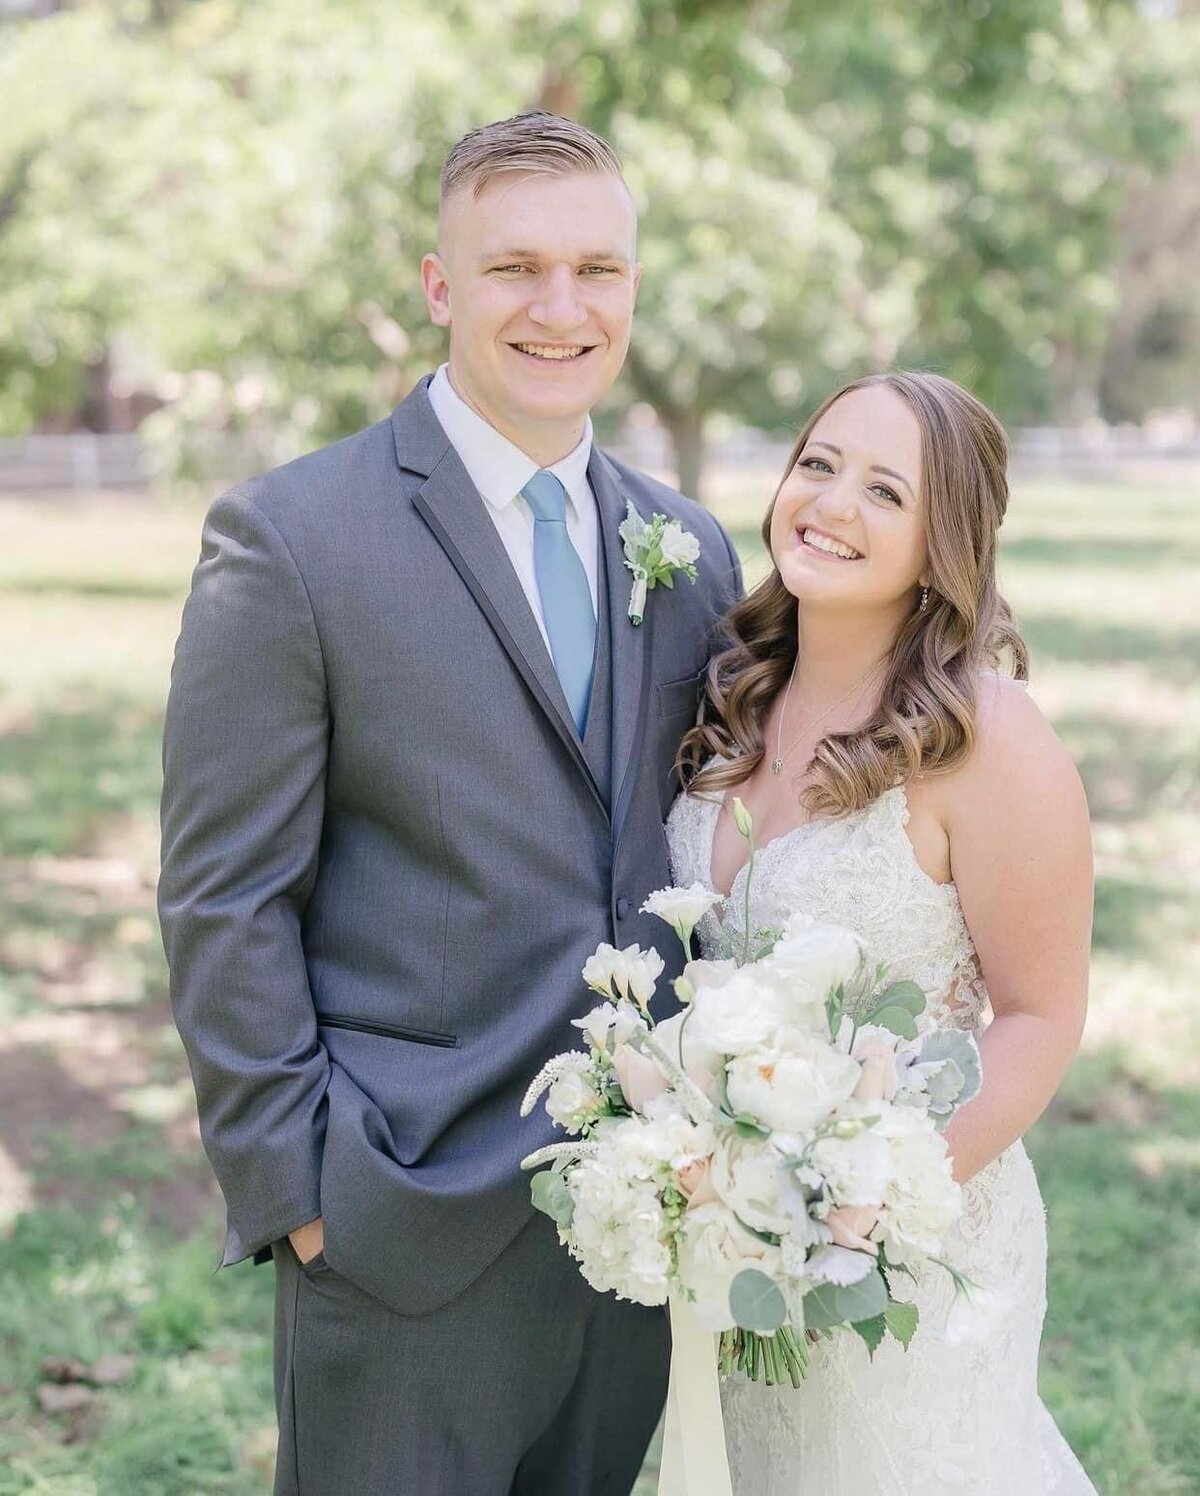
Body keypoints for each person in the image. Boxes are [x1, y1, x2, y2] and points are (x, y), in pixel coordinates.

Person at [158, 110, 740, 1495]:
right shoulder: (292, 539)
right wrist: (301, 1198)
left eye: (597, 270)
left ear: (634, 288)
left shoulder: (692, 548)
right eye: (514, 269)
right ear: (439, 287)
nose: (561, 307)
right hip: (400, 1225)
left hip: (639, 1240)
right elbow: (223, 896)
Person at [665, 371, 1096, 1493]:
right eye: (818, 463)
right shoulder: (729, 694)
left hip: (906, 1251)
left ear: (941, 539)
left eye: (884, 489)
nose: (831, 503)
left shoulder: (989, 737)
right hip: (733, 1241)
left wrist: (853, 1210)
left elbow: (1043, 1016)